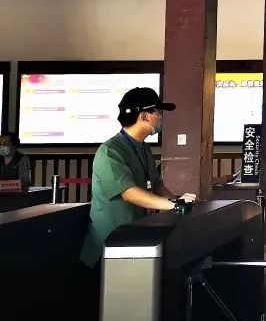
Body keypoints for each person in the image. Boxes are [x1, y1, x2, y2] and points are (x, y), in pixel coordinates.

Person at [80, 88, 196, 268]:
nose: (161, 117)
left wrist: (177, 201)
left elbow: (157, 184)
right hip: (108, 245)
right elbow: (129, 193)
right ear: (144, 117)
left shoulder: (143, 148)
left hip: (132, 240)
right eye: (158, 112)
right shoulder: (110, 151)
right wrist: (173, 205)